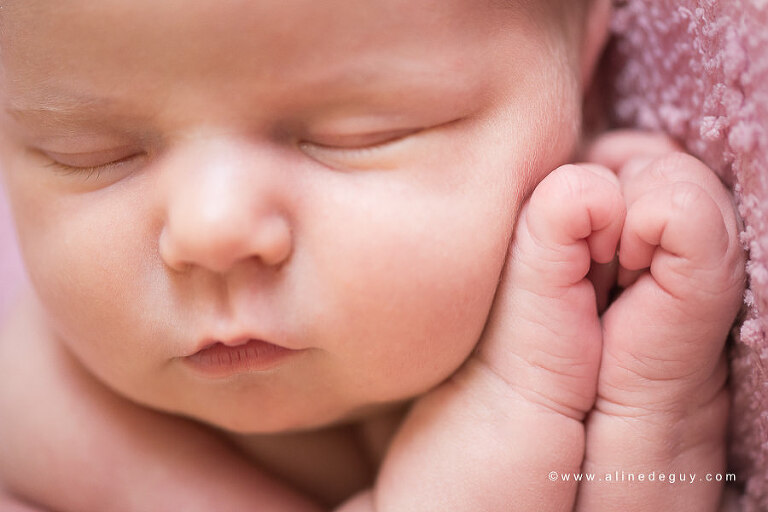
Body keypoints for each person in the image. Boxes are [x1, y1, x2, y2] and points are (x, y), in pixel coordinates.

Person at [0, 0, 745, 510]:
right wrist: (514, 409)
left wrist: (657, 396)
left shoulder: (605, 273)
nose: (209, 231)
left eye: (359, 134)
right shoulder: (46, 405)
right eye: (90, 154)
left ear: (579, 68)